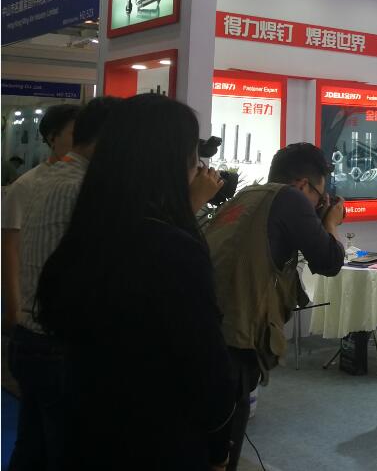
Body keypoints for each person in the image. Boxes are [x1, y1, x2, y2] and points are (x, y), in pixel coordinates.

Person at [35, 94, 236, 470]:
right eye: (193, 155)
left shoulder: (88, 231)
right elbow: (207, 369)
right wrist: (219, 449)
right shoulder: (173, 249)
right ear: (170, 162)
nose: (199, 166)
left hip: (87, 432)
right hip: (158, 441)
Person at [204, 142, 346, 471]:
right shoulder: (291, 198)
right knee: (224, 440)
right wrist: (331, 222)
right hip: (236, 334)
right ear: (302, 184)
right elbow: (328, 261)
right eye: (318, 196)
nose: (318, 204)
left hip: (210, 323)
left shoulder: (248, 195)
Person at [9, 97, 120, 469]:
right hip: (60, 346)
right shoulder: (83, 188)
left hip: (34, 339)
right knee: (66, 453)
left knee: (33, 447)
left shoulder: (45, 178)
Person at [2, 104, 79, 399]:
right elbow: (9, 248)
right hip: (32, 311)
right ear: (51, 138)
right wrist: (13, 307)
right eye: (75, 134)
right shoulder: (27, 185)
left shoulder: (77, 182)